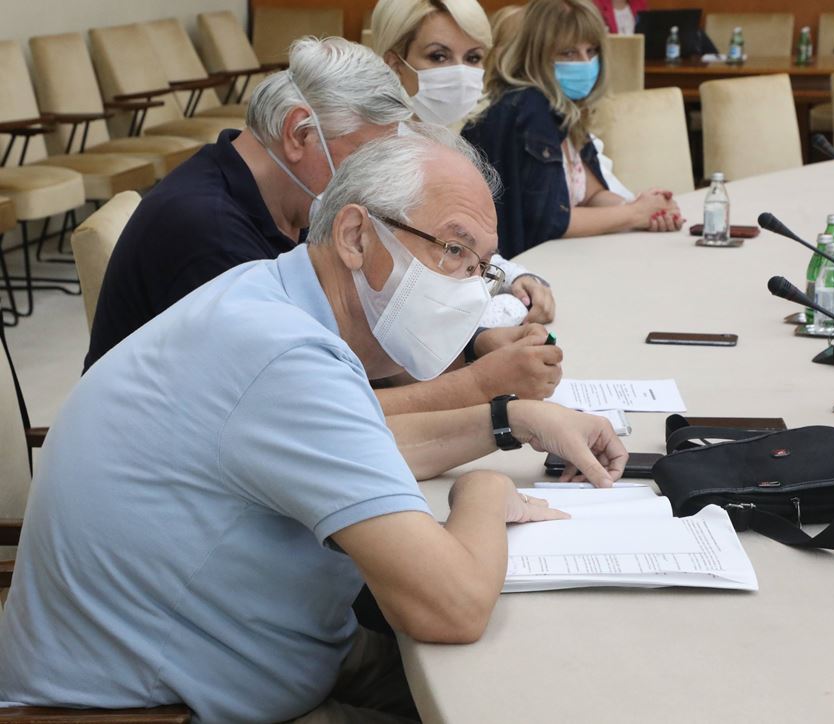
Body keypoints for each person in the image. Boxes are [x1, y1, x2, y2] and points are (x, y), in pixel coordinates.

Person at [0, 127, 628, 722]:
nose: (469, 290)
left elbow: (352, 446)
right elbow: (450, 607)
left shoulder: (270, 292)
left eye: (480, 268)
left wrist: (512, 421)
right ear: (355, 235)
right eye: (454, 251)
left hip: (242, 653)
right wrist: (486, 493)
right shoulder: (285, 356)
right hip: (151, 708)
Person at [84, 36, 562, 414]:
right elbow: (310, 407)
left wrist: (471, 347)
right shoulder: (207, 231)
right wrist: (478, 386)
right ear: (299, 133)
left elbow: (353, 340)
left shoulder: (290, 201)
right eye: (366, 155)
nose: (375, 177)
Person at [372, 0, 555, 326]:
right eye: (438, 56)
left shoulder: (446, 140)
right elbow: (400, 290)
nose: (459, 72)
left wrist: (513, 277)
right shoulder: (377, 154)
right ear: (395, 64)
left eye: (472, 58)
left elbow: (461, 246)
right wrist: (501, 310)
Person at [462, 0, 684, 257]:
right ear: (536, 53)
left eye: (591, 51)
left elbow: (591, 194)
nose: (584, 62)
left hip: (565, 257)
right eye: (568, 53)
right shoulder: (529, 107)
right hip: (520, 266)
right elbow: (550, 220)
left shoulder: (562, 107)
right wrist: (634, 214)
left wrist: (650, 208)